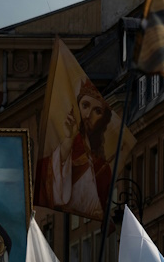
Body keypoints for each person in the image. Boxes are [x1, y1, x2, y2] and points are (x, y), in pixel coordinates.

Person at [35, 78, 114, 218]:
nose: (88, 115)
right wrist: (67, 140)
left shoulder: (103, 164)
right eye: (85, 106)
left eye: (97, 110)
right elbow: (49, 178)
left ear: (104, 118)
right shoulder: (69, 149)